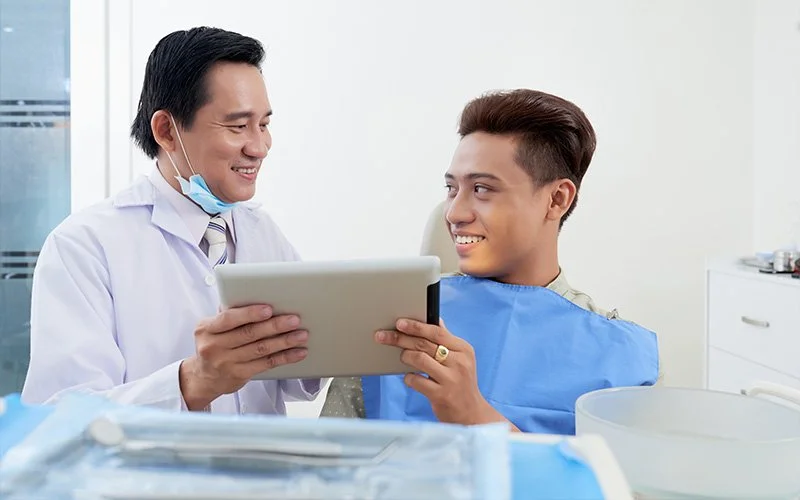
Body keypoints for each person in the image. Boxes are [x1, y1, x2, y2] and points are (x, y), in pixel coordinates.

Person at [321, 89, 660, 434]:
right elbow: (320, 473)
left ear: (556, 199)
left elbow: (616, 487)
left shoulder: (623, 360)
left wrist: (475, 415)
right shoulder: (391, 323)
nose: (454, 213)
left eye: (482, 189)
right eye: (452, 189)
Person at [21, 27, 320, 414]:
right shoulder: (84, 246)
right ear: (166, 131)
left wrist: (367, 336)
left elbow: (299, 377)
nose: (259, 147)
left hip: (265, 472)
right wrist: (192, 382)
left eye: (263, 124)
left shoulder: (263, 235)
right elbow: (60, 415)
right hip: (148, 475)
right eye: (237, 126)